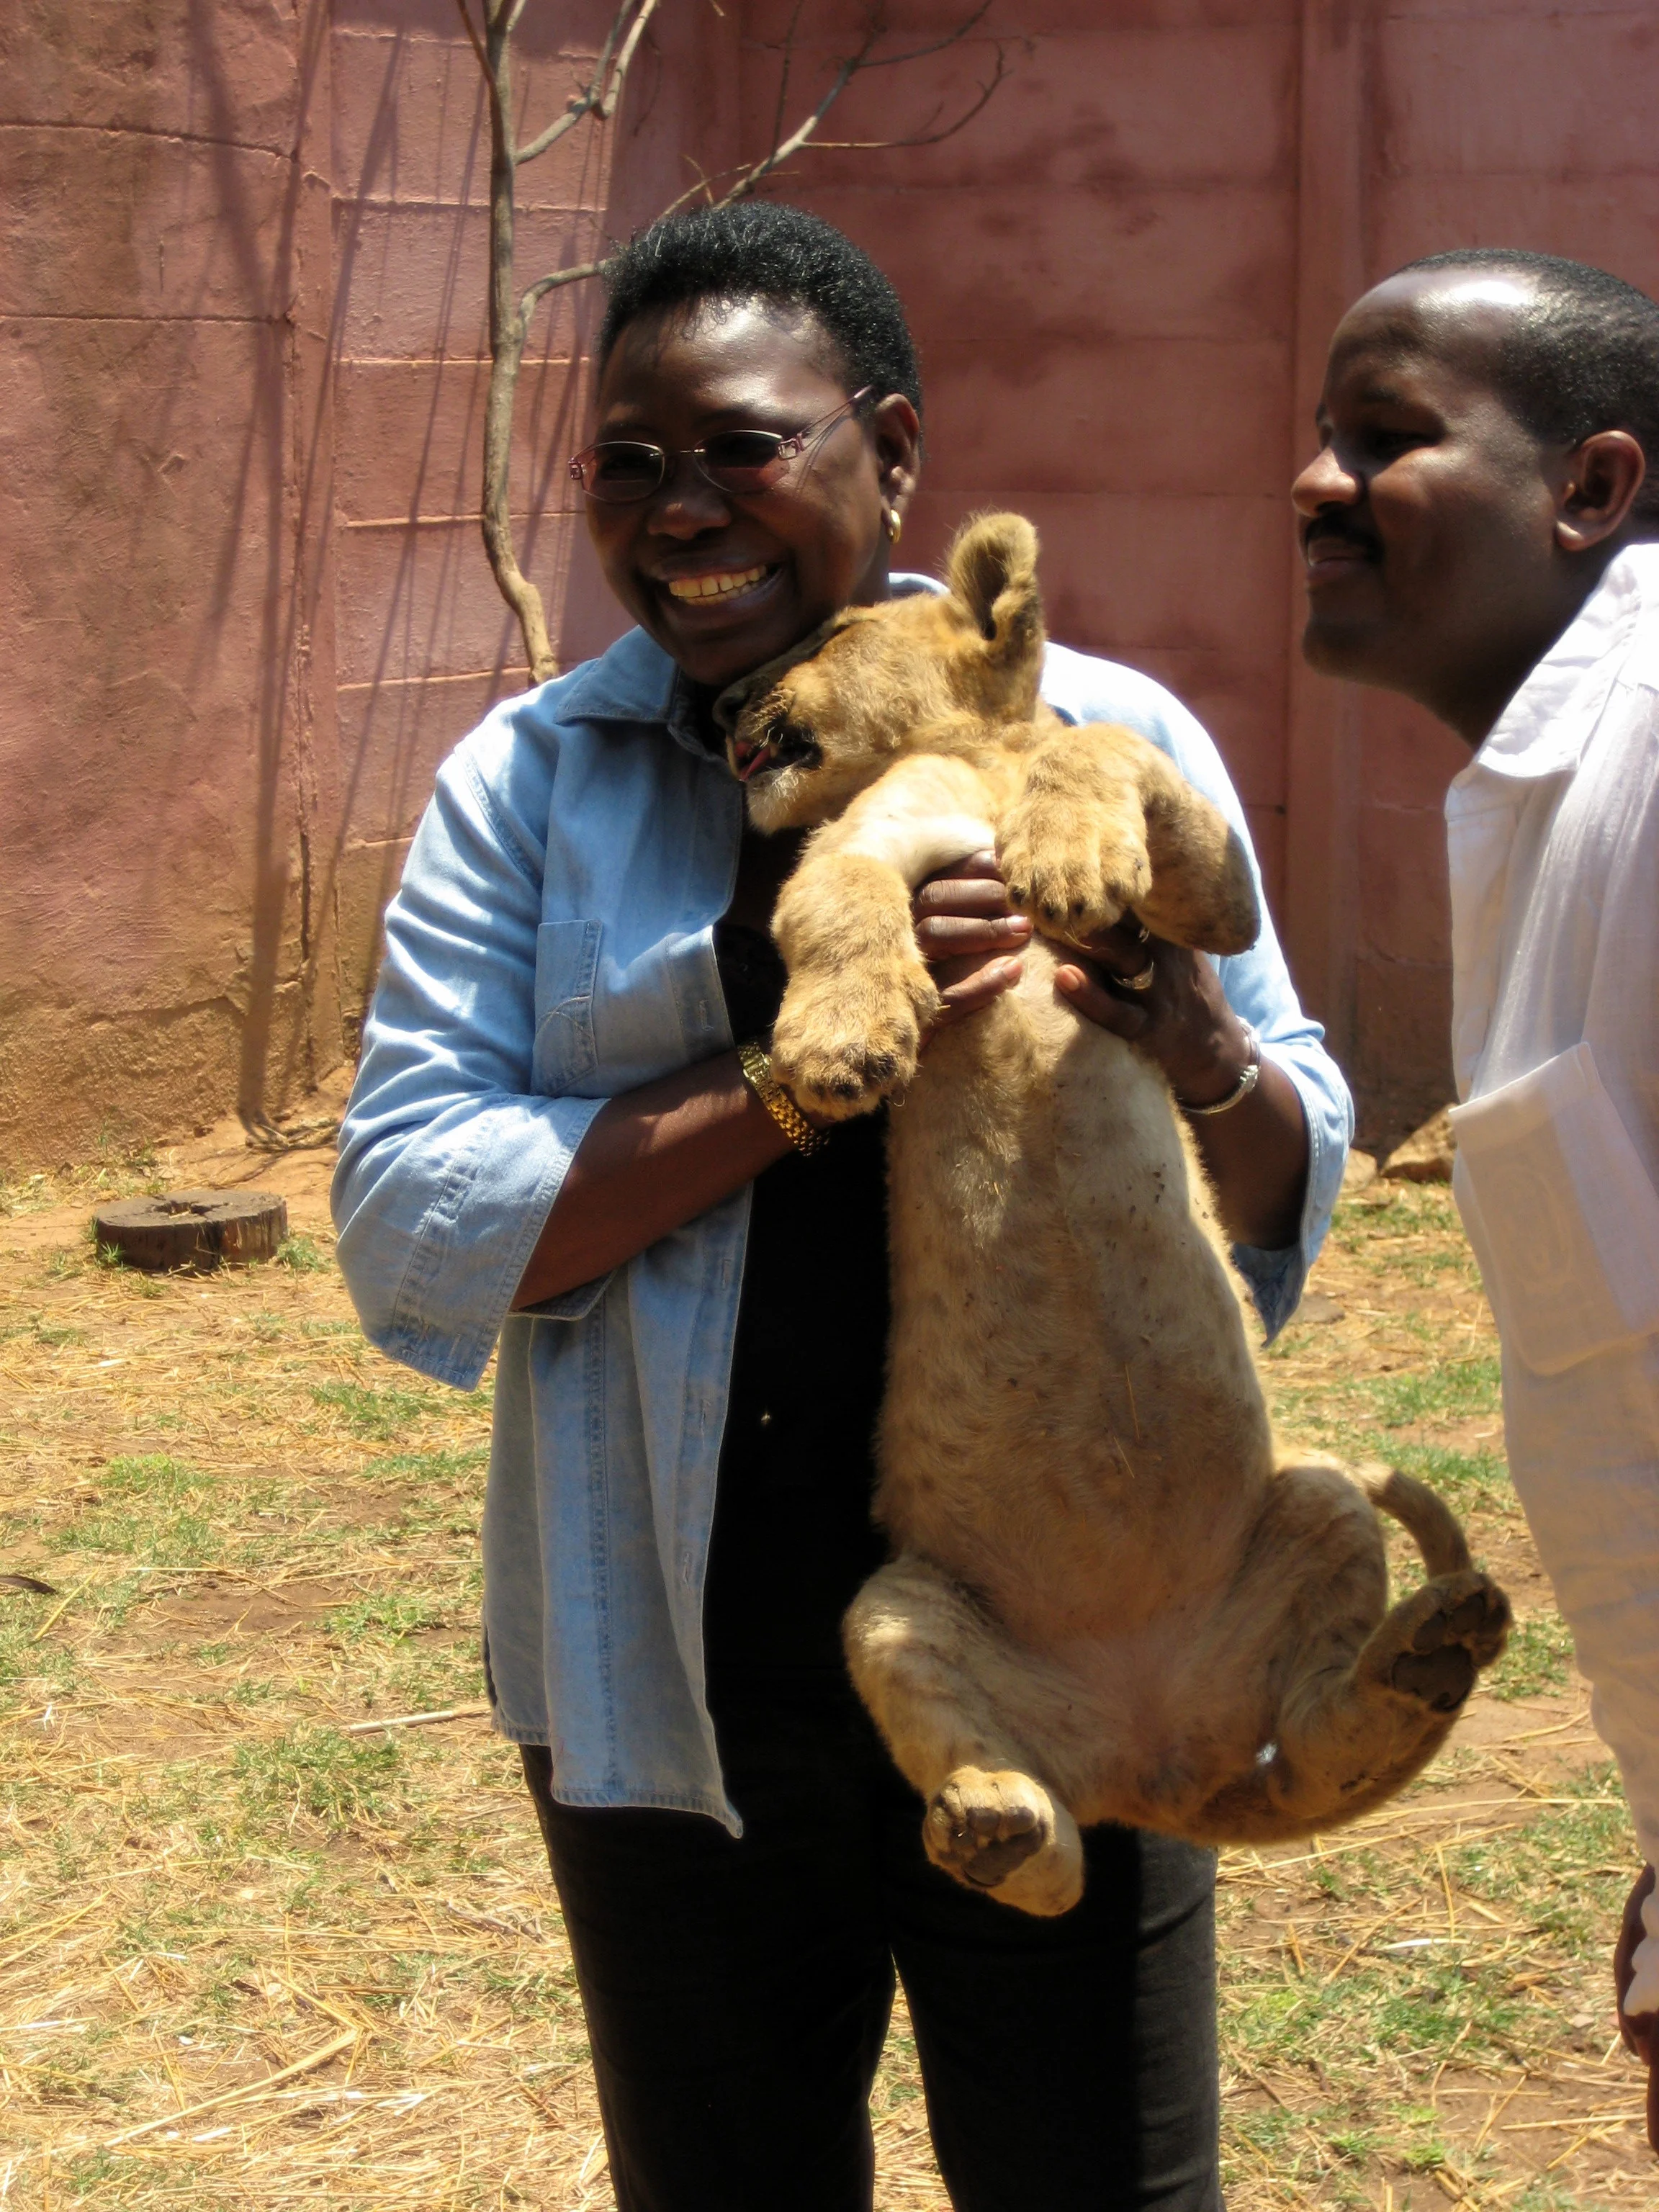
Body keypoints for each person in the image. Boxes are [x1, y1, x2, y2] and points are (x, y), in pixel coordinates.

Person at [334, 199, 1351, 2211]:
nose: (677, 508)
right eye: (624, 462)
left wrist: (1192, 1039)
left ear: (893, 450)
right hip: (678, 1675)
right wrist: (801, 1072)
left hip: (1078, 1645)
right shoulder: (530, 788)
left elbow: (1289, 1170)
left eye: (742, 444)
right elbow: (410, 1212)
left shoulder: (1112, 738)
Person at [1291, 246, 1659, 2154]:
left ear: (1591, 490)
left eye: (1388, 438)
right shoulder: (1550, 791)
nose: (1313, 483)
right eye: (1321, 435)